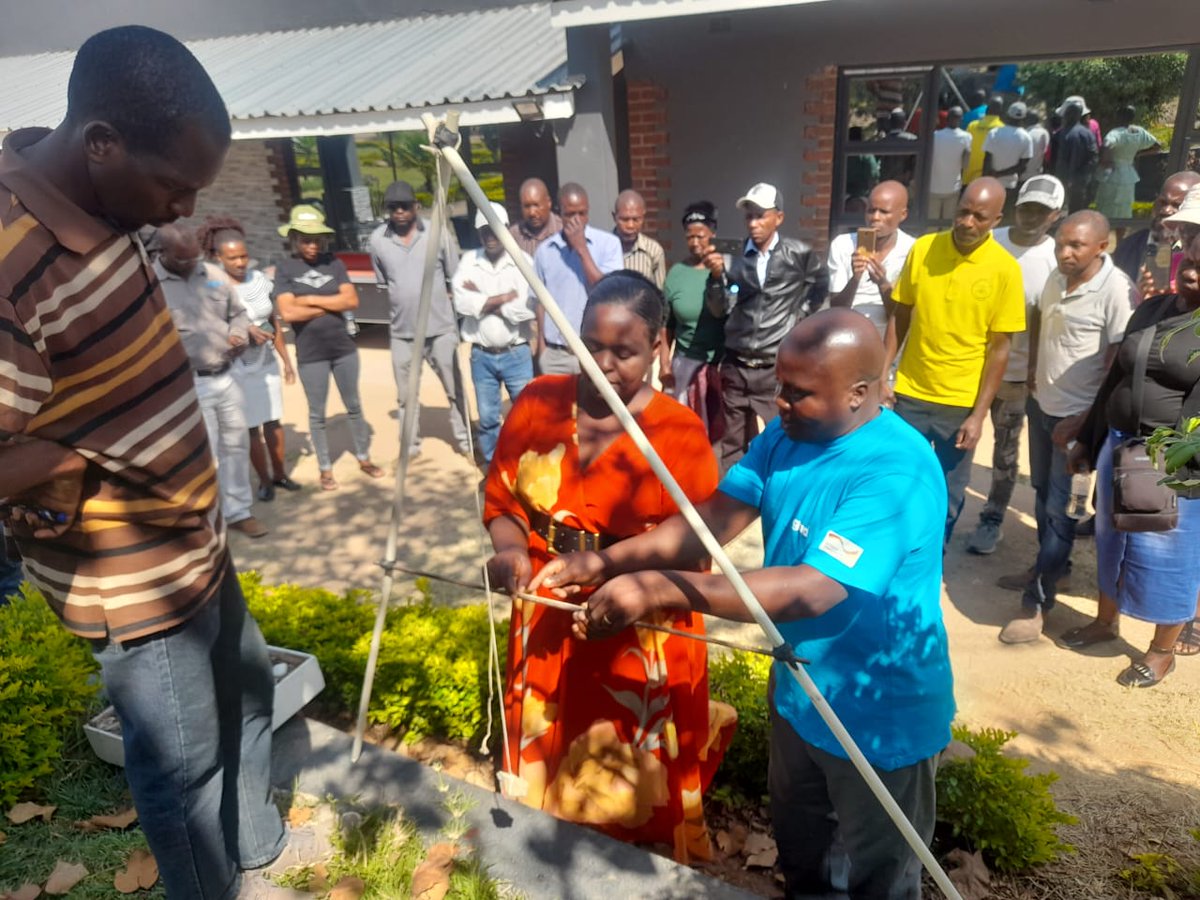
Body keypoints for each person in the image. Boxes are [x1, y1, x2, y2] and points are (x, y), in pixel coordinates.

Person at [0, 25, 304, 898]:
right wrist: (68, 450)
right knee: (184, 769)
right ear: (101, 143)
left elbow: (98, 315)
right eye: (173, 188)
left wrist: (163, 252)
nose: (181, 210)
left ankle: (255, 850)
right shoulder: (12, 265)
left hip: (195, 539)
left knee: (249, 696)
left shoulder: (97, 198)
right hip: (129, 577)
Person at [534, 309, 955, 900]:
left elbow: (812, 589)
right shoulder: (787, 435)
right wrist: (605, 561)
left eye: (799, 393)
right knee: (804, 858)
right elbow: (710, 523)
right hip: (800, 692)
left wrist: (659, 588)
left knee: (880, 880)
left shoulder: (895, 469)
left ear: (860, 393)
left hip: (877, 715)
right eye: (780, 385)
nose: (778, 401)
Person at [482, 272, 734, 864]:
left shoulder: (678, 431)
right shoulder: (538, 401)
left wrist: (613, 571)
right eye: (591, 346)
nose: (604, 364)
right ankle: (546, 842)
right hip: (548, 599)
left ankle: (628, 862)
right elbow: (502, 499)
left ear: (658, 347)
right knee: (554, 724)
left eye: (624, 352)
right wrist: (510, 548)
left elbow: (694, 545)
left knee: (628, 752)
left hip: (637, 617)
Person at [1061, 229, 1200, 687]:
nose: (1193, 273)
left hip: (1173, 462)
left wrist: (1167, 465)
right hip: (1121, 447)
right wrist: (1088, 437)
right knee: (1112, 539)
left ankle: (1163, 650)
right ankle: (1106, 622)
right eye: (1190, 262)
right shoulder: (1154, 309)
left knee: (1168, 554)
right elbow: (1115, 377)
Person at [997, 211, 1138, 642]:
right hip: (1043, 408)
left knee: (1061, 510)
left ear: (1102, 246)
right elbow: (1040, 315)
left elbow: (1117, 366)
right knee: (1041, 494)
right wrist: (1036, 368)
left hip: (1076, 421)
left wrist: (1084, 421)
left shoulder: (1116, 289)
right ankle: (1051, 568)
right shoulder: (1056, 278)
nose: (1065, 252)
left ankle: (1037, 605)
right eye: (1061, 243)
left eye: (1076, 245)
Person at [884, 177, 1025, 544]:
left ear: (996, 220)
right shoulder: (925, 249)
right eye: (963, 212)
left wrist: (978, 415)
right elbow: (900, 315)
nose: (967, 223)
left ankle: (934, 557)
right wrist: (885, 376)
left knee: (948, 493)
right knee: (897, 480)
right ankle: (896, 554)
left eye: (980, 217)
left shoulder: (1005, 269)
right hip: (909, 393)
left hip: (960, 404)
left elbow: (1000, 348)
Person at [967, 175, 1066, 555]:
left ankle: (992, 517)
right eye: (1026, 208)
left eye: (1040, 211)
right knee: (958, 445)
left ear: (1054, 215)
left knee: (1005, 452)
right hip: (973, 365)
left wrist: (1037, 370)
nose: (1031, 217)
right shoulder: (991, 239)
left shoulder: (1056, 256)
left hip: (1017, 375)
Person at [704, 182, 829, 471]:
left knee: (782, 436)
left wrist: (801, 317)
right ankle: (732, 499)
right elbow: (719, 308)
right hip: (737, 365)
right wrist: (715, 278)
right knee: (732, 441)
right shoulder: (732, 256)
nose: (754, 223)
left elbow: (821, 285)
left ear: (779, 218)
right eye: (749, 216)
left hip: (775, 366)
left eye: (761, 215)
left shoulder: (798, 253)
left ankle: (775, 494)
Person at [155, 224, 269, 539]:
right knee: (205, 454)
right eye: (182, 260)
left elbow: (239, 314)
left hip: (227, 375)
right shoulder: (150, 284)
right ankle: (210, 518)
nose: (191, 265)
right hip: (187, 384)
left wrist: (238, 331)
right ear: (163, 254)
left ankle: (238, 512)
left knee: (236, 445)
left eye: (194, 258)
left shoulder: (214, 275)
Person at [275, 204, 385, 491]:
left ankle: (364, 457)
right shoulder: (285, 268)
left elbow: (350, 301)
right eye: (305, 239)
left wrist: (308, 300)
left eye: (315, 240)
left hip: (343, 349)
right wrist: (327, 303)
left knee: (354, 406)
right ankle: (325, 468)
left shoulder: (333, 263)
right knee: (317, 413)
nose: (311, 245)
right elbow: (287, 313)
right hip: (311, 354)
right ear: (294, 239)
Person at [200, 217, 301, 502]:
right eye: (233, 258)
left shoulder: (260, 281)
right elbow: (209, 328)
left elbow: (273, 321)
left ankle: (280, 474)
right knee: (251, 427)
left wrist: (286, 361)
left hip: (265, 364)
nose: (241, 262)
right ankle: (264, 480)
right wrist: (243, 330)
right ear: (219, 257)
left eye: (244, 255)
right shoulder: (212, 287)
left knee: (273, 422)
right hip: (236, 368)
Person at [369, 180, 471, 458]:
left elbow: (456, 277)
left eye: (404, 206)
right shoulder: (377, 241)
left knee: (455, 390)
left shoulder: (437, 234)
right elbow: (383, 284)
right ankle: (410, 448)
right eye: (393, 207)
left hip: (440, 330)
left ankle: (466, 442)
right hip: (403, 334)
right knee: (406, 397)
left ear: (416, 206)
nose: (399, 211)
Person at [451, 202, 535, 468]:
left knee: (525, 415)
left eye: (494, 230)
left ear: (506, 230)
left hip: (516, 353)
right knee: (487, 418)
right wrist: (502, 298)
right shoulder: (468, 261)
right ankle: (492, 467)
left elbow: (526, 308)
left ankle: (524, 465)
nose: (489, 236)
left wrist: (483, 300)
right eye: (484, 231)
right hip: (482, 356)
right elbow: (462, 304)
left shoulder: (523, 262)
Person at [533, 182, 623, 375]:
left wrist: (581, 248)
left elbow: (608, 290)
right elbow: (540, 302)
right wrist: (542, 348)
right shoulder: (545, 251)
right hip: (557, 354)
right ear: (559, 213)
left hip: (594, 352)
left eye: (582, 214)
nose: (577, 220)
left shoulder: (608, 244)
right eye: (570, 214)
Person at [660, 201, 727, 441]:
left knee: (717, 432)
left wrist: (720, 276)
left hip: (718, 365)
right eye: (690, 237)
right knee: (682, 430)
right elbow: (666, 323)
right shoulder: (676, 273)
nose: (695, 242)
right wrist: (664, 362)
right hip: (684, 365)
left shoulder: (725, 268)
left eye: (701, 235)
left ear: (713, 233)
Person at [828, 180, 916, 339]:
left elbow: (900, 318)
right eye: (871, 210)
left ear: (903, 215)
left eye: (884, 212)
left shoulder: (912, 250)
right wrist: (855, 278)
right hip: (848, 330)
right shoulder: (842, 245)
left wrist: (882, 283)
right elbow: (836, 310)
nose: (875, 218)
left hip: (888, 334)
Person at [1111, 171, 1200, 292]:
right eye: (1162, 203)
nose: (1166, 211)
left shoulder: (1192, 258)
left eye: (1177, 206)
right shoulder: (1129, 246)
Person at [1094, 106, 1163, 223]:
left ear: (1119, 117)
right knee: (1124, 210)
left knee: (1106, 206)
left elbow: (1106, 145)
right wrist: (1138, 154)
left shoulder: (1115, 133)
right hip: (1128, 175)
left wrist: (1105, 161)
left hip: (1112, 174)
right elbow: (1157, 145)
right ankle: (1121, 237)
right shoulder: (1139, 131)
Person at [983, 102, 1034, 214]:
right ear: (1023, 118)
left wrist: (991, 176)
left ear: (1007, 116)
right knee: (1004, 216)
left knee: (988, 214)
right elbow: (1022, 166)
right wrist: (1001, 173)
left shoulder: (994, 132)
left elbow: (987, 159)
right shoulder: (1026, 138)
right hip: (1010, 185)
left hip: (991, 182)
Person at [612, 188, 666, 288]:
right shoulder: (603, 248)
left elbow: (660, 294)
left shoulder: (653, 250)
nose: (630, 225)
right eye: (624, 219)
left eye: (636, 219)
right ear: (614, 217)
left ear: (643, 218)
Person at [1051, 101, 1098, 213]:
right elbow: (1094, 158)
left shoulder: (1059, 134)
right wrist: (1084, 176)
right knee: (1075, 210)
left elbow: (1052, 158)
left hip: (1062, 179)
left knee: (1059, 208)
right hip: (1078, 181)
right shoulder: (1087, 134)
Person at [928, 106, 972, 221]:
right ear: (961, 119)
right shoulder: (967, 138)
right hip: (953, 187)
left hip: (933, 186)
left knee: (931, 223)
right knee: (947, 224)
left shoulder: (934, 136)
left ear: (947, 118)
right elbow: (965, 165)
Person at [509, 176, 561, 257]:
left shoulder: (563, 231)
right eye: (527, 206)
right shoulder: (513, 236)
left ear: (549, 202)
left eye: (536, 205)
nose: (532, 213)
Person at [965, 96, 1004, 183]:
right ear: (1000, 111)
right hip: (987, 176)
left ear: (987, 109)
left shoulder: (972, 125)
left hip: (968, 174)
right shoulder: (1002, 129)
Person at [1024, 111, 1051, 181]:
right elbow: (1046, 156)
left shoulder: (1024, 134)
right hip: (1037, 174)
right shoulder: (1044, 133)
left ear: (1027, 120)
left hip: (1023, 175)